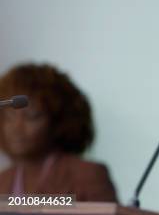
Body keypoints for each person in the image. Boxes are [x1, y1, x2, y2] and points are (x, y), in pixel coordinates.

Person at [0, 63, 117, 202]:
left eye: (32, 116)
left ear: (59, 121)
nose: (16, 128)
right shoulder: (3, 180)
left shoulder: (87, 175)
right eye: (9, 117)